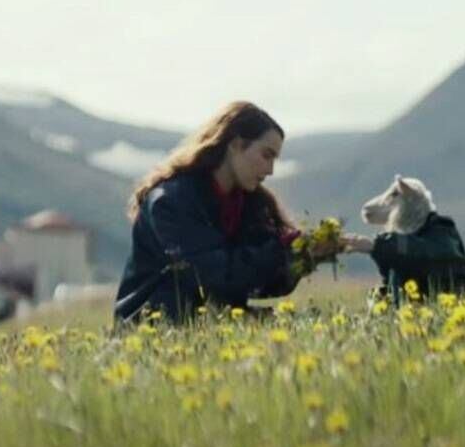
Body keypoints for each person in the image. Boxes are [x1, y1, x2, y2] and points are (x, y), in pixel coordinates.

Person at [113, 101, 349, 324]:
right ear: (236, 144)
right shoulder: (171, 202)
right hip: (151, 327)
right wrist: (282, 249)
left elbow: (263, 285)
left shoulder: (248, 204)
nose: (270, 170)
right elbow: (214, 278)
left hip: (211, 321)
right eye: (266, 155)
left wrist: (304, 254)